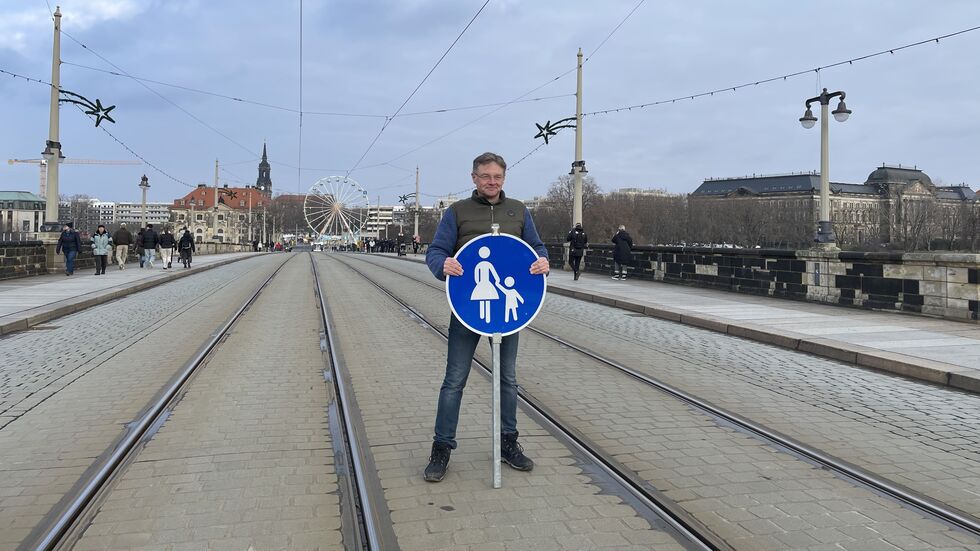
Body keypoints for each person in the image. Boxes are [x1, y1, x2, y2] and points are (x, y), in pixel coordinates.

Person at [423, 151, 549, 482]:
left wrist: (542, 262)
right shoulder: (457, 212)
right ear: (474, 178)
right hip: (467, 310)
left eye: (497, 177)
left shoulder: (519, 211)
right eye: (486, 177)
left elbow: (537, 248)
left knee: (508, 379)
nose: (492, 182)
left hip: (508, 315)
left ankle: (509, 444)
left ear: (503, 179)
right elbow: (436, 251)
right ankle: (442, 448)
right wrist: (442, 265)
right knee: (454, 380)